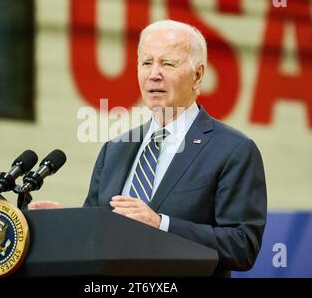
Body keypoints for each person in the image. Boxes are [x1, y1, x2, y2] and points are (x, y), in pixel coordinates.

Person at [30, 20, 267, 277]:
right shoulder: (115, 149)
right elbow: (96, 233)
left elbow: (243, 246)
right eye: (146, 63)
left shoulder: (233, 150)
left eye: (167, 63)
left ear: (197, 75)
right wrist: (67, 224)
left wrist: (160, 224)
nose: (154, 74)